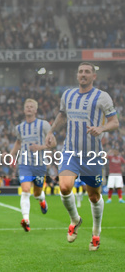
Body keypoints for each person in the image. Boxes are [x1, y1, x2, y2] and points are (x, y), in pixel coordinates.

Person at [44, 62, 119, 251]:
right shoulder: (68, 95)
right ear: (77, 75)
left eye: (87, 72)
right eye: (80, 72)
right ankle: (75, 219)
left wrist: (101, 128)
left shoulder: (102, 97)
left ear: (94, 76)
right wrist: (51, 131)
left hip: (92, 155)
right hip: (70, 151)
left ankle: (96, 233)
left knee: (94, 196)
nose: (83, 74)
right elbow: (62, 116)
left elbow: (115, 122)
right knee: (64, 186)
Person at [8, 98, 51, 232]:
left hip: (39, 164)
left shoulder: (44, 125)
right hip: (24, 163)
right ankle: (26, 220)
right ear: (24, 109)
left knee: (37, 194)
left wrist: (41, 147)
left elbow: (52, 142)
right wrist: (11, 155)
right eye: (27, 106)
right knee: (26, 190)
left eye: (32, 106)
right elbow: (18, 143)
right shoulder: (19, 128)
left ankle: (42, 200)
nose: (29, 108)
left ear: (36, 110)